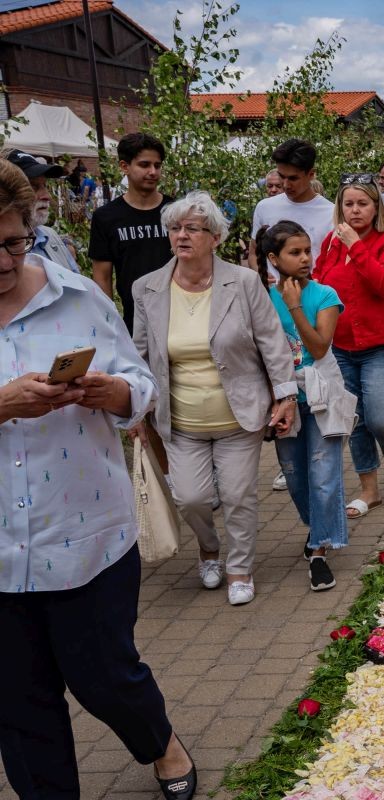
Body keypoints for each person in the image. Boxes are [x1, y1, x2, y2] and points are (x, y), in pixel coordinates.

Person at [0, 158, 197, 800]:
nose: (3, 262)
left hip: (85, 536)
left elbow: (140, 384)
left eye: (13, 243)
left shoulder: (76, 296)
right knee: (18, 704)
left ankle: (161, 743)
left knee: (106, 677)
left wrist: (115, 393)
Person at [131, 191, 296, 607]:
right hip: (181, 419)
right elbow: (139, 355)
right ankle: (208, 549)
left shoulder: (243, 282)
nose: (181, 236)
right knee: (190, 498)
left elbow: (272, 340)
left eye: (192, 228)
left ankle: (240, 568)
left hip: (238, 416)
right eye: (175, 228)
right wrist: (134, 409)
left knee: (239, 496)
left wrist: (285, 395)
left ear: (215, 237)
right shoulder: (147, 288)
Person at [313, 175, 384, 519]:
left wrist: (356, 246)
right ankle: (369, 490)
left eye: (362, 204)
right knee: (354, 420)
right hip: (341, 346)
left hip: (382, 344)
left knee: (380, 417)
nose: (355, 210)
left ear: (376, 208)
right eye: (348, 204)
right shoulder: (331, 243)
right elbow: (319, 285)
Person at [256, 221, 348, 591]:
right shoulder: (262, 299)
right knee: (294, 476)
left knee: (323, 475)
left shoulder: (325, 295)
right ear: (273, 258)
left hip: (322, 396)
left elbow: (319, 347)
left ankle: (320, 551)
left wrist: (295, 307)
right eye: (295, 252)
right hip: (283, 400)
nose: (305, 258)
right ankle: (318, 527)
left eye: (308, 250)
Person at [88, 132, 173, 333]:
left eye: (157, 165)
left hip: (179, 316)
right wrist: (109, 324)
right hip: (134, 322)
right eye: (144, 165)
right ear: (124, 166)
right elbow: (102, 277)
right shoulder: (106, 217)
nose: (153, 172)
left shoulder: (176, 211)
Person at [250, 139, 336, 283]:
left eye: (293, 178)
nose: (285, 184)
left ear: (311, 174)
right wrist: (260, 272)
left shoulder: (331, 213)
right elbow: (253, 252)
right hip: (271, 295)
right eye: (282, 176)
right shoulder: (264, 207)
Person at [5, 149, 80, 272]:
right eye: (33, 187)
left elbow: (76, 282)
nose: (47, 196)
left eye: (45, 185)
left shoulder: (50, 236)